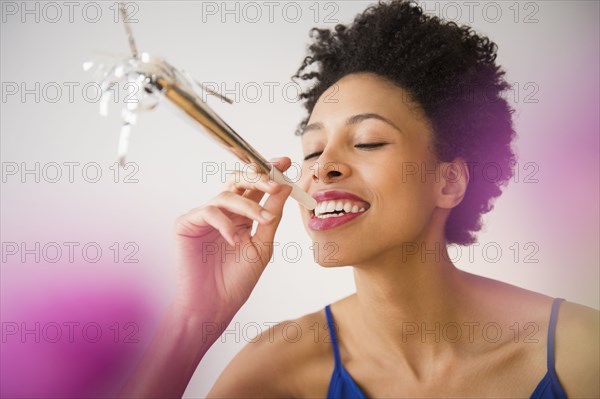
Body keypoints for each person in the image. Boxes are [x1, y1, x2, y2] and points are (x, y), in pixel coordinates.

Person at [120, 1, 599, 397]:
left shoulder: (583, 352)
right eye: (312, 149)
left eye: (368, 140)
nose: (321, 167)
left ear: (449, 182)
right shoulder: (278, 373)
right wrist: (192, 318)